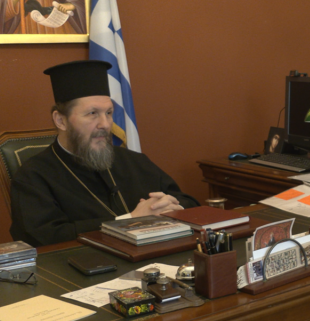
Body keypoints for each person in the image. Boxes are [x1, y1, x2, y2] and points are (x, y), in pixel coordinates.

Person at [10, 60, 199, 247]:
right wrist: (131, 220)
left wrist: (169, 208)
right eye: (92, 113)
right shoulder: (33, 176)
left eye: (108, 113)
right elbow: (42, 237)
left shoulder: (133, 161)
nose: (106, 124)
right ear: (60, 120)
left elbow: (189, 202)